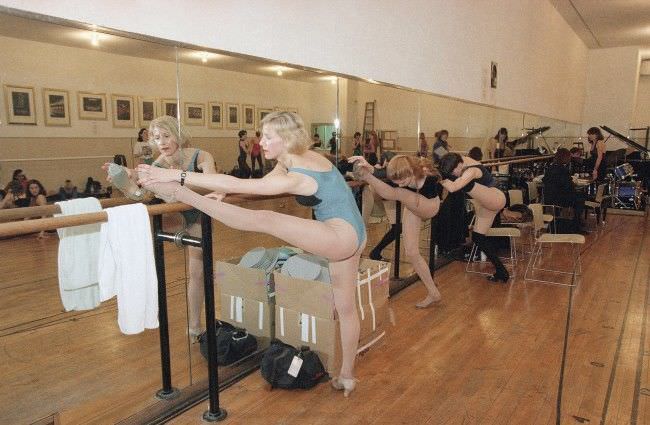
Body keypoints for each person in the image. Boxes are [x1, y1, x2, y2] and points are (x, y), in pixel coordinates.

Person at [138, 111, 366, 397]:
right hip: (354, 233)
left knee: (266, 220)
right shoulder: (298, 157)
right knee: (346, 308)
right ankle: (347, 375)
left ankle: (183, 195)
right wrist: (224, 191)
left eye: (268, 137)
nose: (262, 142)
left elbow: (244, 184)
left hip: (341, 237)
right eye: (262, 135)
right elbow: (257, 185)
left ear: (286, 139)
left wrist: (172, 177)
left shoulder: (298, 178)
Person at [103, 115, 217, 339]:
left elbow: (212, 184)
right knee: (145, 195)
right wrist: (132, 178)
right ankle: (131, 186)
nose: (162, 142)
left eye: (166, 136)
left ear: (178, 135)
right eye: (157, 138)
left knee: (198, 273)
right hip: (174, 213)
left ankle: (194, 325)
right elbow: (147, 196)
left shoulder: (201, 156)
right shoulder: (157, 164)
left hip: (198, 214)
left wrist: (175, 179)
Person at [350, 154, 443, 309]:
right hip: (413, 206)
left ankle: (366, 177)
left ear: (411, 171)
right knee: (412, 252)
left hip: (430, 206)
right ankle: (433, 292)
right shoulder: (402, 176)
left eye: (403, 181)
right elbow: (382, 172)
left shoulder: (427, 174)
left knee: (398, 193)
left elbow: (445, 176)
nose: (400, 184)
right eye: (397, 182)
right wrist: (368, 165)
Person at [439, 153, 509, 283]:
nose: (455, 173)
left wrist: (439, 177)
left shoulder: (472, 171)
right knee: (478, 237)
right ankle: (501, 271)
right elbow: (450, 161)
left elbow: (453, 187)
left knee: (464, 185)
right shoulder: (461, 160)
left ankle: (501, 272)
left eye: (454, 170)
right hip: (487, 203)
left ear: (459, 164)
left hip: (496, 197)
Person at [542, 148, 586, 233]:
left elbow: (545, 180)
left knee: (577, 197)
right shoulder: (562, 170)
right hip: (559, 199)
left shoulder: (550, 168)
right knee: (580, 199)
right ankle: (576, 225)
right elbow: (568, 186)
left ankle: (574, 223)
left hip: (549, 197)